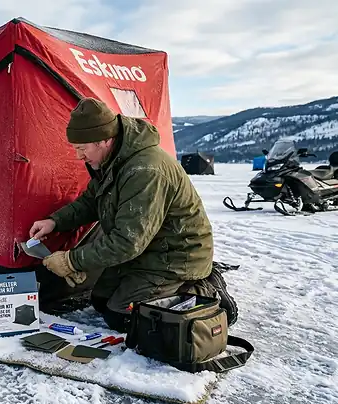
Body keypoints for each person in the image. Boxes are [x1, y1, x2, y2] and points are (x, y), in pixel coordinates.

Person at [29, 97, 237, 332]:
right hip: (147, 251)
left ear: (105, 140)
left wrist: (71, 261)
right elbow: (90, 202)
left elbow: (127, 242)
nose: (79, 157)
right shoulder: (112, 160)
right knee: (100, 300)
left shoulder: (145, 170)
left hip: (176, 257)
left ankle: (204, 288)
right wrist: (54, 222)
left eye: (82, 149)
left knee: (122, 315)